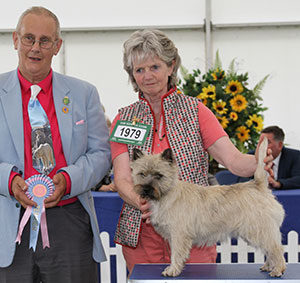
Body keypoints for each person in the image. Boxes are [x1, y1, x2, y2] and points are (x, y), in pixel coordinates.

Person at [110, 29, 273, 273]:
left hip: (194, 231)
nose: (147, 76)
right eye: (139, 69)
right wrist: (140, 201)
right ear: (132, 74)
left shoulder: (195, 111)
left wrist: (258, 162)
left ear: (171, 65)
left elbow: (233, 160)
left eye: (154, 66)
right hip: (142, 232)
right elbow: (122, 177)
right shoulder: (124, 119)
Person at [0, 6, 111, 283]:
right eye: (29, 38)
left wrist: (68, 180)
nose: (35, 48)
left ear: (57, 46)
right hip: (7, 220)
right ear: (15, 40)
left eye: (45, 40)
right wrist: (9, 180)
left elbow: (100, 154)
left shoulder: (84, 94)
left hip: (69, 220)